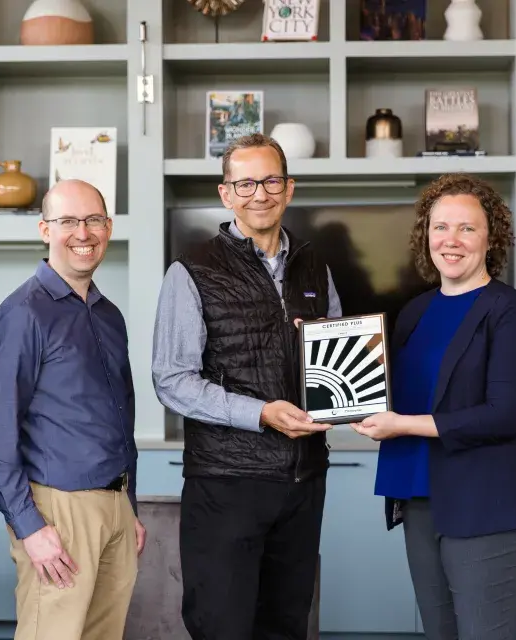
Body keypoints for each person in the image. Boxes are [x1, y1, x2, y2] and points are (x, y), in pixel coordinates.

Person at [151, 132, 343, 640]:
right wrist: (259, 412)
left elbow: (340, 353)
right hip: (226, 484)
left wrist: (349, 399)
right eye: (247, 182)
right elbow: (172, 381)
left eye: (272, 180)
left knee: (286, 625)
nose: (261, 193)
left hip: (304, 483)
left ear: (290, 188)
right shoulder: (191, 270)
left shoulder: (315, 267)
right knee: (223, 627)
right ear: (226, 193)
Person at [350, 173, 516, 639]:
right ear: (426, 235)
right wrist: (319, 355)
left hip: (486, 505)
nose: (451, 240)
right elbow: (386, 391)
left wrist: (403, 424)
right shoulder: (416, 311)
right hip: (419, 499)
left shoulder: (511, 311)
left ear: (491, 237)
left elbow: (505, 413)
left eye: (467, 228)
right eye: (440, 227)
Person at [0, 179, 142, 640]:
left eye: (93, 221)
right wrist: (29, 528)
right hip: (58, 512)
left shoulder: (108, 315)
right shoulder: (22, 314)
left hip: (115, 507)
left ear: (108, 228)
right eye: (68, 221)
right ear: (45, 229)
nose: (82, 233)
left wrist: (128, 507)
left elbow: (119, 416)